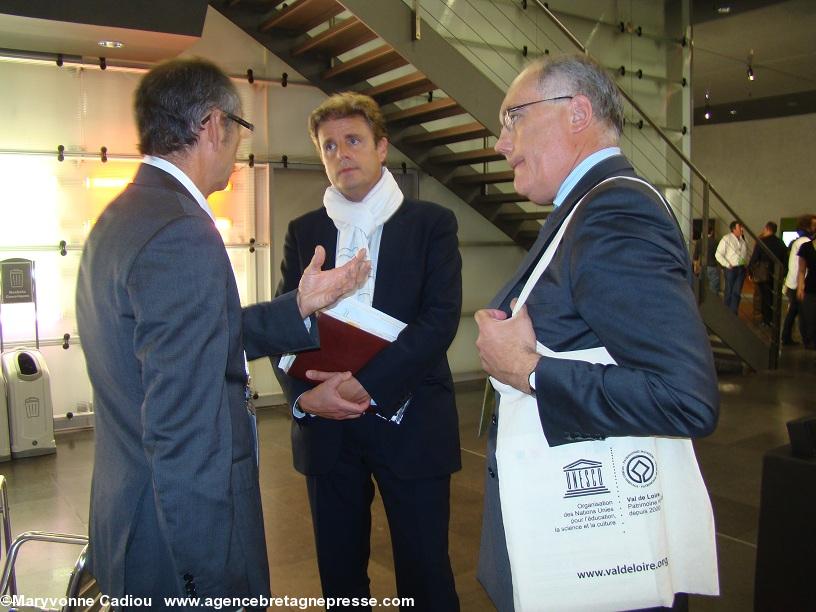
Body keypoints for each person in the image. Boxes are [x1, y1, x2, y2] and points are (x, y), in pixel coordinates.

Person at [76, 58, 369, 608]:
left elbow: (186, 342)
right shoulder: (181, 233)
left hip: (132, 516)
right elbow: (184, 430)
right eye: (238, 128)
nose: (237, 144)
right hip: (176, 542)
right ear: (213, 125)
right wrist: (209, 584)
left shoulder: (124, 215)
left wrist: (299, 304)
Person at [473, 54, 719, 611]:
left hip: (598, 557)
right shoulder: (586, 208)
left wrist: (529, 372)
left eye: (513, 117)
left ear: (577, 112)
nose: (500, 142)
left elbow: (686, 398)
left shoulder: (614, 214)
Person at [272, 92, 462, 611]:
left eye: (353, 140)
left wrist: (367, 384)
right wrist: (306, 398)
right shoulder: (304, 231)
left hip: (413, 420)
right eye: (329, 146)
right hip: (327, 425)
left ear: (382, 147)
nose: (341, 154)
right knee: (340, 578)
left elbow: (439, 320)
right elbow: (285, 325)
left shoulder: (431, 224)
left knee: (425, 574)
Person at [781, 214, 816, 345]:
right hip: (797, 284)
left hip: (794, 283)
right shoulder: (805, 243)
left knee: (796, 312)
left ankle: (789, 337)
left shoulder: (798, 242)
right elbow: (800, 268)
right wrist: (800, 285)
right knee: (801, 313)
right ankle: (804, 339)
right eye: (813, 225)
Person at [748, 221, 788, 327]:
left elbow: (754, 259)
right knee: (775, 298)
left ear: (766, 228)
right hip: (777, 275)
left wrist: (750, 272)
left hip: (763, 274)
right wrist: (783, 274)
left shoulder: (762, 242)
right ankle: (775, 320)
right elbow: (785, 260)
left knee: (765, 298)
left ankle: (766, 320)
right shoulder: (780, 243)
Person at [715, 220, 748, 314]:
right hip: (731, 269)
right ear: (733, 229)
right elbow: (718, 254)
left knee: (737, 293)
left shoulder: (743, 240)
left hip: (741, 268)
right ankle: (727, 314)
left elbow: (745, 254)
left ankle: (734, 313)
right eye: (739, 227)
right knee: (729, 292)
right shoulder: (726, 239)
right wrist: (726, 264)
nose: (742, 229)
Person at [796, 233, 816, 349]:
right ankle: (810, 342)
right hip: (811, 288)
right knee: (810, 320)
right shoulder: (806, 247)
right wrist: (800, 287)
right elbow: (801, 270)